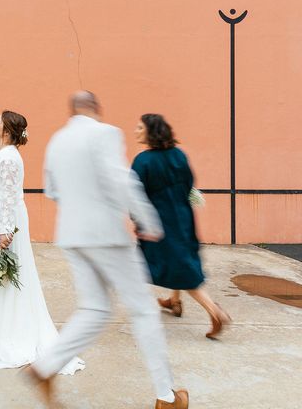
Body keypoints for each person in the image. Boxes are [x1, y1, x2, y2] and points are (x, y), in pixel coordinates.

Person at [26, 91, 189, 409]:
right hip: (106, 235)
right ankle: (166, 395)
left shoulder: (57, 141)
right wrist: (147, 220)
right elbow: (121, 180)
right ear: (96, 108)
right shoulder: (105, 133)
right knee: (143, 309)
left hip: (72, 235)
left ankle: (44, 367)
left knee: (94, 310)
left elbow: (53, 190)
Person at [0, 110, 85, 374]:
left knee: (6, 277)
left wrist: (5, 230)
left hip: (1, 218)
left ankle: (8, 332)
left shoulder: (9, 157)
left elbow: (10, 195)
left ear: (7, 131)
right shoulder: (0, 152)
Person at [132, 113, 231, 339]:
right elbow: (189, 184)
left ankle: (215, 312)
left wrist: (138, 222)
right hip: (182, 217)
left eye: (140, 128)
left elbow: (135, 195)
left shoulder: (143, 161)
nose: (136, 131)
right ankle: (174, 301)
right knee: (180, 260)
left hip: (158, 223)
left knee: (181, 270)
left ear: (151, 131)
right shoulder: (179, 155)